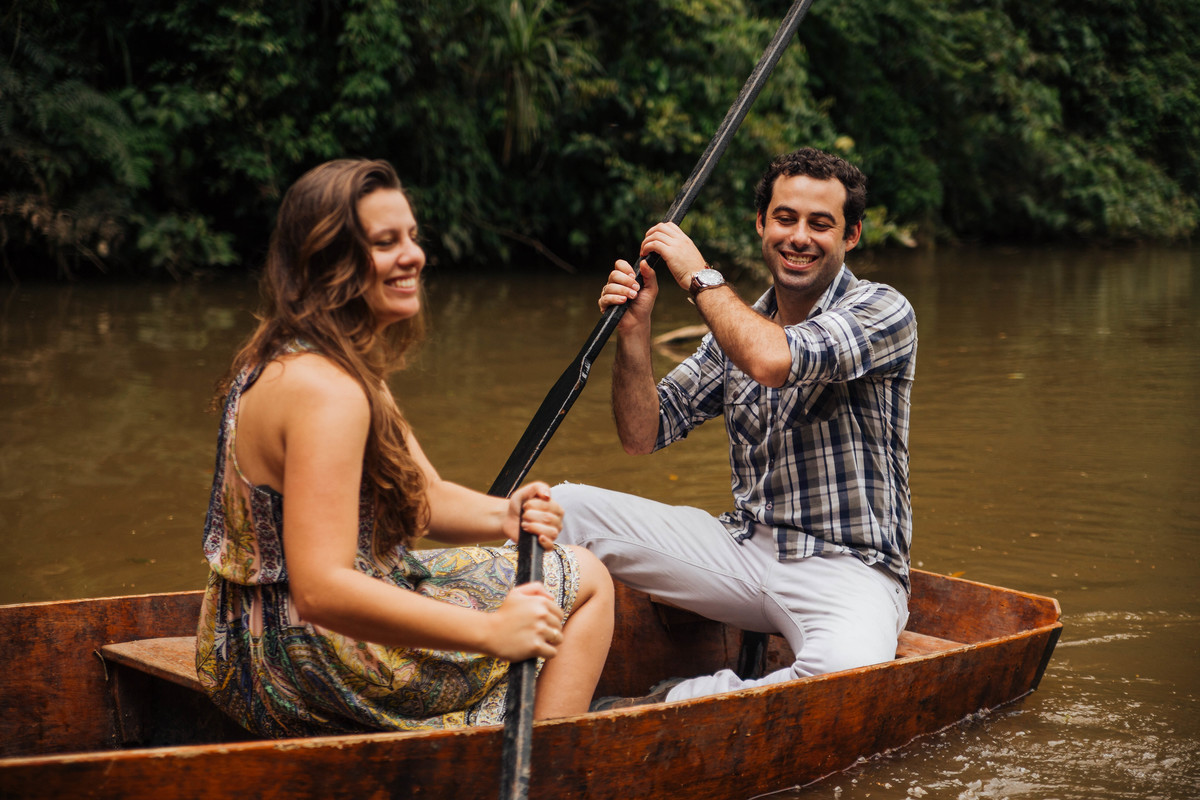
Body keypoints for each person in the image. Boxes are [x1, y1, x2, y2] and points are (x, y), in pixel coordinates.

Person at [196, 158, 613, 738]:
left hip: (239, 640)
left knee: (545, 578)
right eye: (386, 242)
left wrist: (505, 513)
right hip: (313, 657)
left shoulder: (302, 356)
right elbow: (322, 589)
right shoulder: (328, 392)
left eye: (412, 237)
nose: (413, 255)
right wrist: (494, 633)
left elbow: (425, 498)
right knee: (587, 575)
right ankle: (546, 767)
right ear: (328, 261)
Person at [555, 147, 916, 706]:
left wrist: (699, 275)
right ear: (761, 225)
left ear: (852, 237)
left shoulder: (884, 312)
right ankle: (512, 675)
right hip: (745, 551)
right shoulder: (738, 328)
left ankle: (668, 703)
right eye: (785, 218)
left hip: (852, 570)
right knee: (560, 508)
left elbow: (774, 360)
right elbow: (642, 433)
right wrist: (634, 334)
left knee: (847, 670)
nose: (799, 237)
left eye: (821, 224)